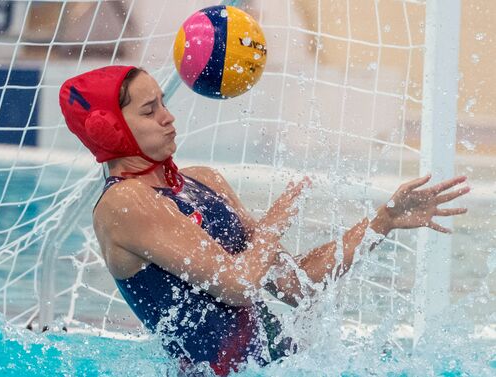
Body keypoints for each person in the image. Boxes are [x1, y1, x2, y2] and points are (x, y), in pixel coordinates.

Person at [59, 65, 469, 376]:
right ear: (110, 131)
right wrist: (276, 221)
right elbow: (239, 286)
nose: (169, 118)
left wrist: (383, 221)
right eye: (150, 111)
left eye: (164, 104)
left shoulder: (204, 181)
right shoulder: (124, 204)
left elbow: (295, 284)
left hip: (283, 362)